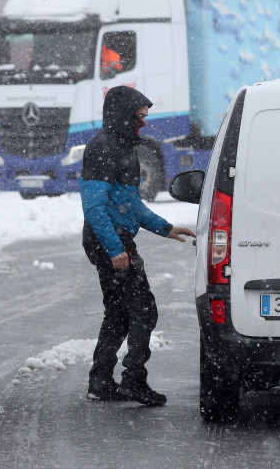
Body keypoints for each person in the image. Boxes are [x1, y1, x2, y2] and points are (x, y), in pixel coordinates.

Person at [81, 85, 195, 406]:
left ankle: (101, 381)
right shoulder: (103, 148)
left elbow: (131, 204)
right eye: (139, 116)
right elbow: (94, 207)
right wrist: (115, 249)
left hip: (114, 239)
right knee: (143, 309)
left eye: (145, 116)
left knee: (118, 312)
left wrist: (166, 228)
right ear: (122, 115)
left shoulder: (124, 147)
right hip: (111, 241)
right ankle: (133, 380)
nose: (144, 123)